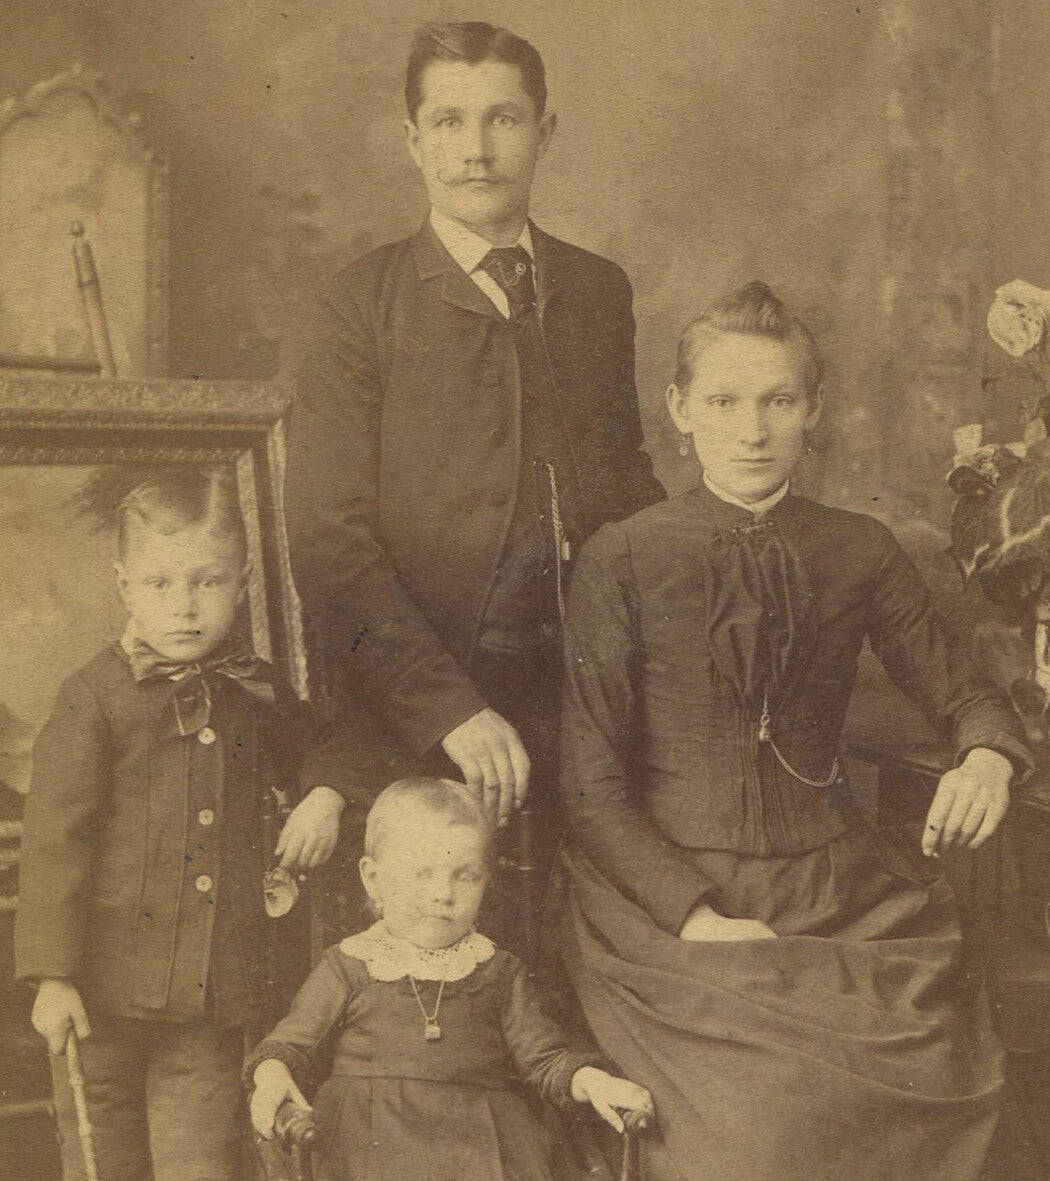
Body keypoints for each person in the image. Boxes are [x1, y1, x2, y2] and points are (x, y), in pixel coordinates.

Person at [556, 282, 1035, 1180]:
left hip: (841, 897)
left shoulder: (860, 547)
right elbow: (589, 778)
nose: (752, 428)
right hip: (665, 908)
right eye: (725, 401)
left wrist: (985, 759)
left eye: (779, 399)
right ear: (679, 409)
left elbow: (964, 691)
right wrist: (694, 918)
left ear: (814, 409)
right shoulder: (624, 553)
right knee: (759, 1141)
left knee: (945, 1105)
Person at [284, 22, 663, 911]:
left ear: (545, 131)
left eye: (504, 118)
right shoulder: (357, 305)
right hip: (417, 695)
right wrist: (447, 707)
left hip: (583, 684)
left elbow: (626, 486)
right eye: (448, 122)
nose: (477, 149)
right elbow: (327, 543)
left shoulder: (598, 289)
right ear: (413, 140)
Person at [13, 467, 344, 1181]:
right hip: (100, 999)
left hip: (209, 1001)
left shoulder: (254, 687)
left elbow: (323, 744)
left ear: (244, 580)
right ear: (124, 584)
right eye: (160, 584)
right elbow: (53, 844)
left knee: (202, 1162)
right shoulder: (92, 700)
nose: (186, 607)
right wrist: (53, 976)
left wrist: (325, 795)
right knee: (104, 1162)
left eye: (208, 581)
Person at [247, 776, 653, 1181]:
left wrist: (592, 1081)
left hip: (481, 1143)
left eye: (465, 876)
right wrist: (272, 1076)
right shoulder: (349, 965)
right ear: (373, 878)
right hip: (369, 1140)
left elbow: (544, 1059)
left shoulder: (497, 970)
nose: (443, 893)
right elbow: (289, 1045)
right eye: (421, 873)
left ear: (486, 882)